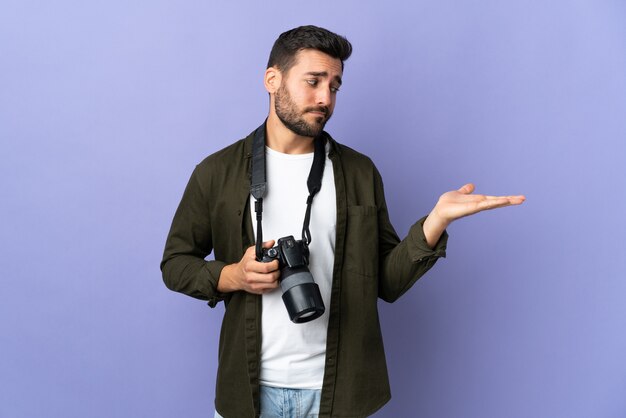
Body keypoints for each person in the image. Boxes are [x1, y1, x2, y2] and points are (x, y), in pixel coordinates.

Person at [161, 25, 525, 418]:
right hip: (247, 393)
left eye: (334, 86)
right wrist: (233, 275)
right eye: (313, 81)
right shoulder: (216, 172)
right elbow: (175, 264)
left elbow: (386, 282)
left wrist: (435, 222)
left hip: (341, 394)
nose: (325, 98)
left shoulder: (359, 173)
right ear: (272, 79)